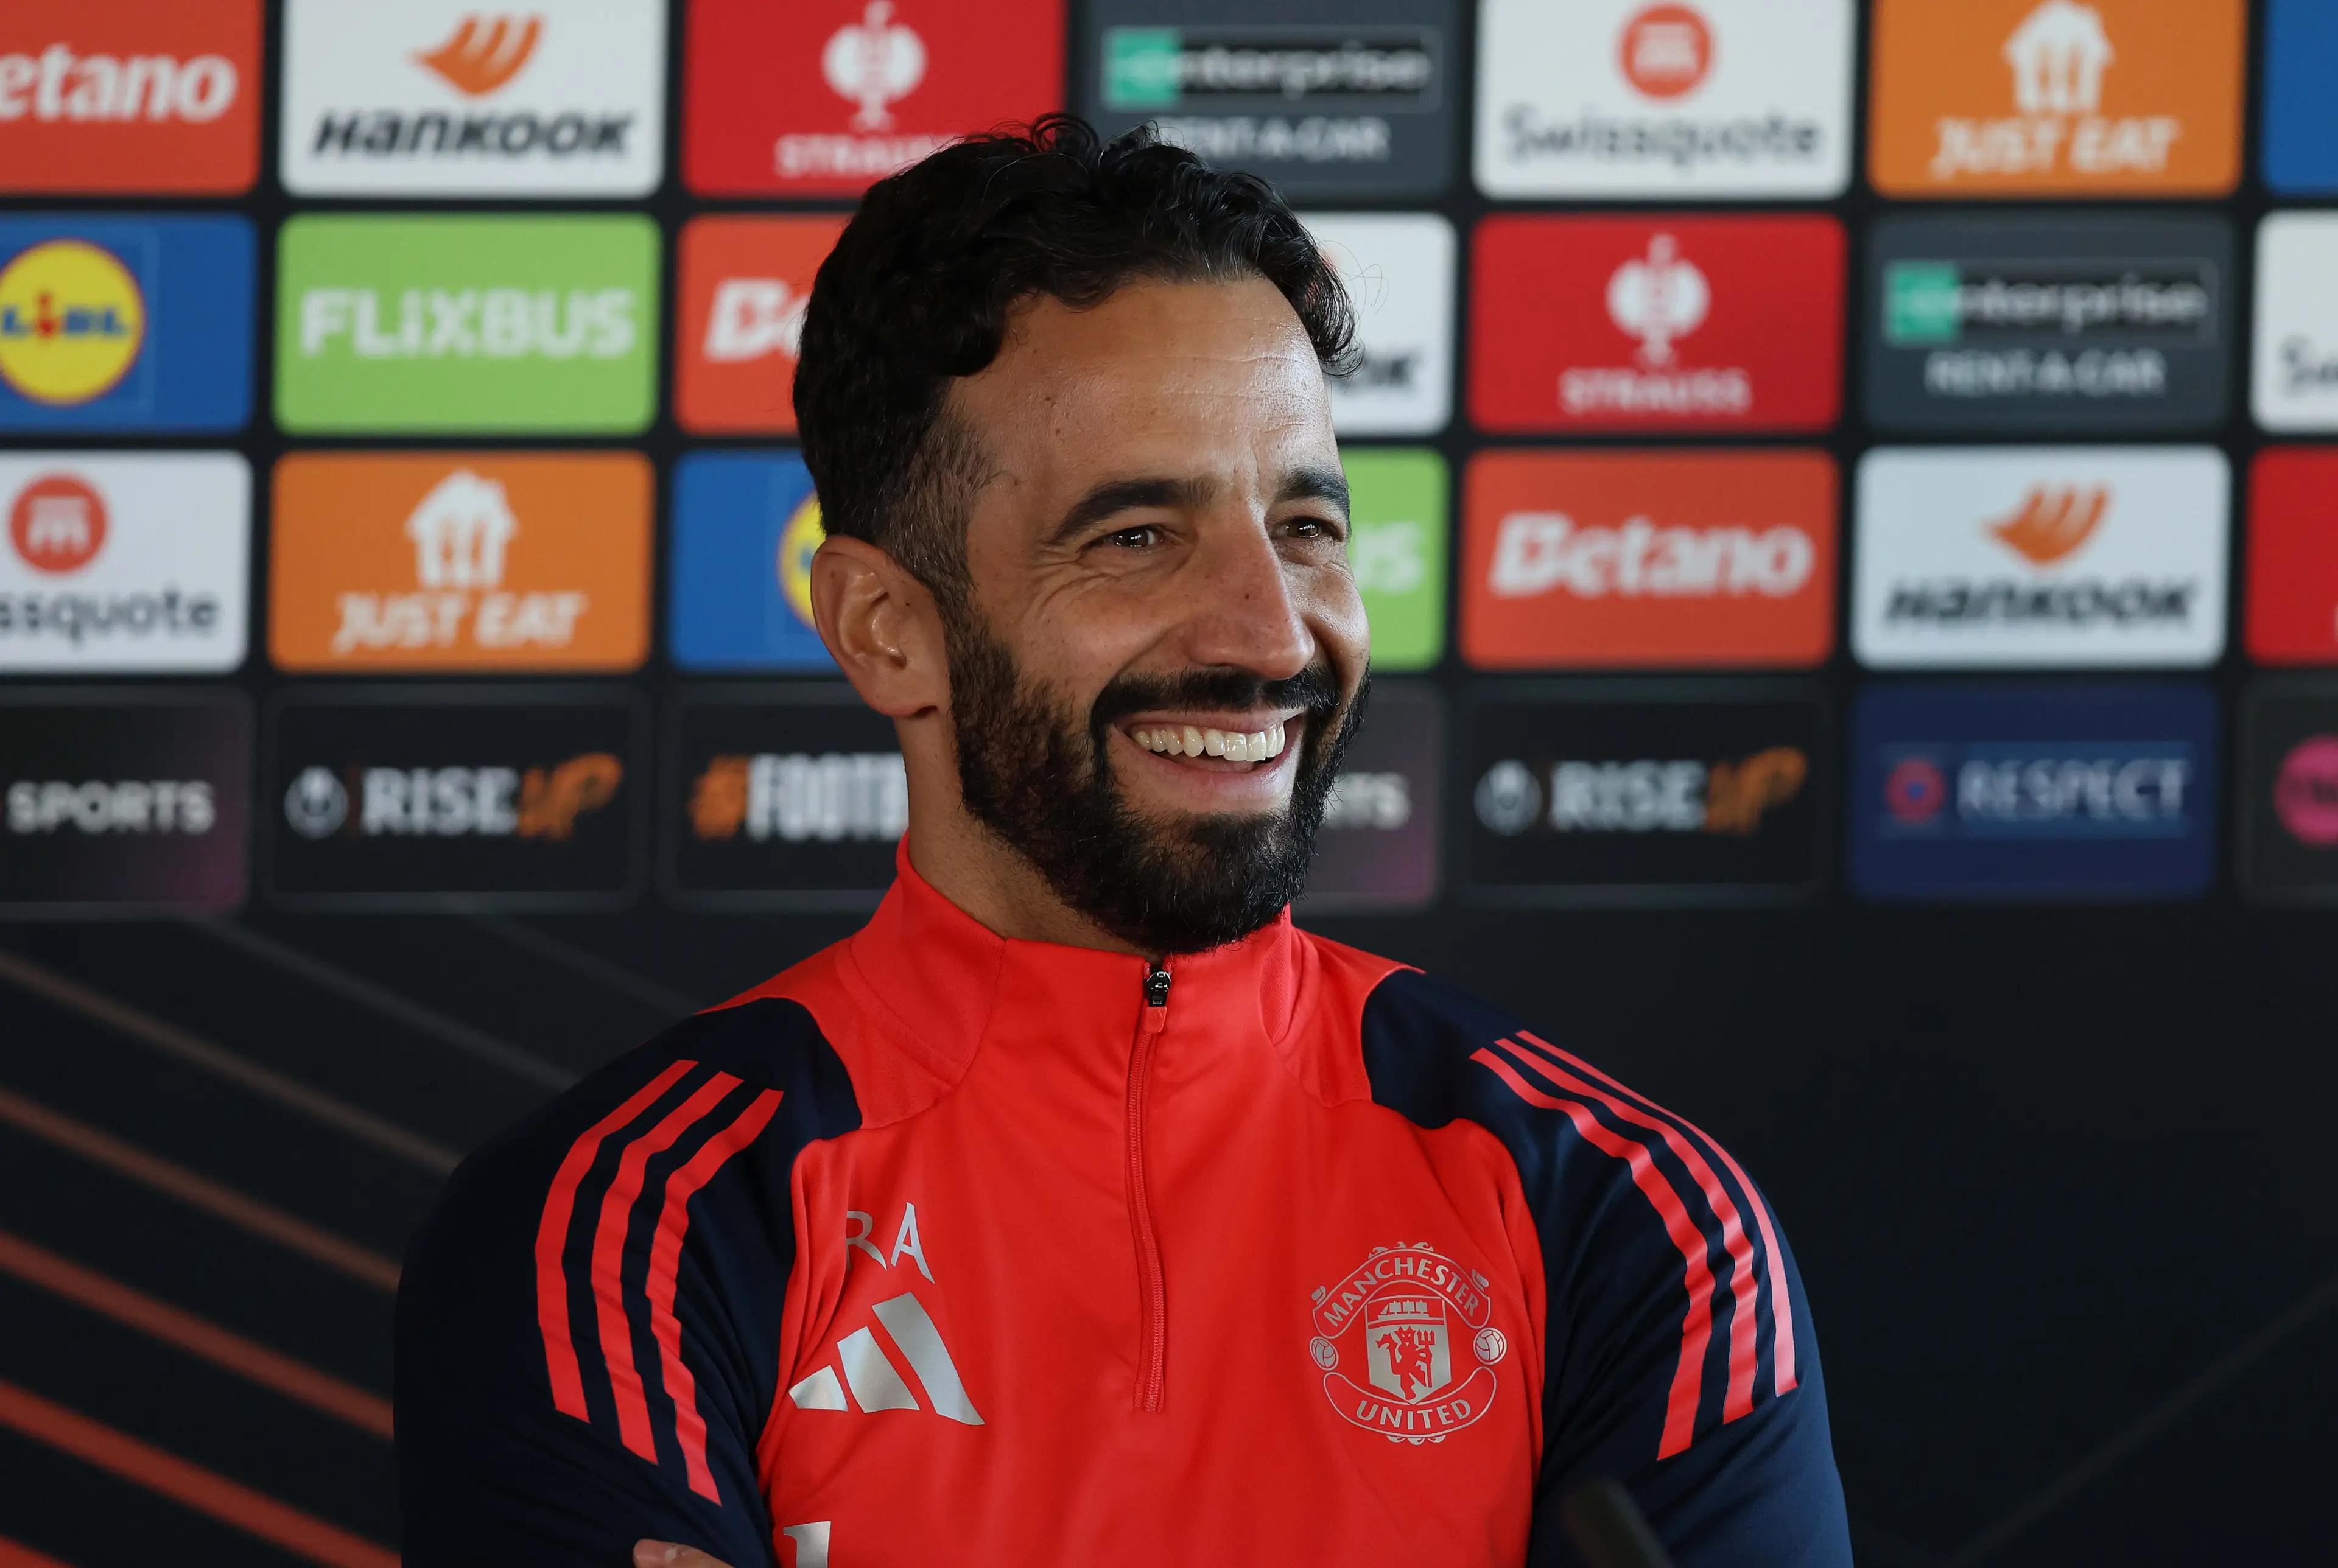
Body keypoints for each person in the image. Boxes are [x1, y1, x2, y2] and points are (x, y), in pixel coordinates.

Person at [395, 116, 1852, 1567]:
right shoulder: (624, 1229)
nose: (1271, 635)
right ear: (885, 629)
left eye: (1305, 526)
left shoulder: (1628, 1211)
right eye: (1137, 536)